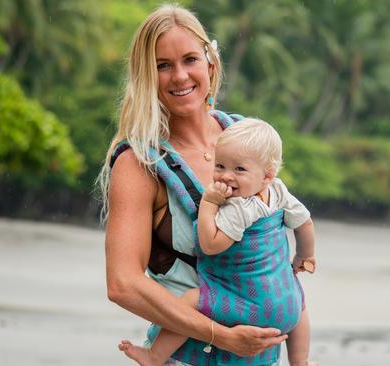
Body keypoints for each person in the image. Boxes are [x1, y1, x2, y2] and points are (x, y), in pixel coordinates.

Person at [99, 4, 290, 365]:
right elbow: (122, 283)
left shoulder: (246, 139)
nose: (180, 76)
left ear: (210, 63)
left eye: (189, 59)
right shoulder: (139, 163)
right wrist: (221, 335)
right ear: (145, 76)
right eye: (162, 65)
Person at [118, 119, 316, 365]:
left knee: (191, 300)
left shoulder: (238, 207)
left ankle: (154, 355)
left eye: (239, 170)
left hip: (250, 304)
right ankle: (300, 361)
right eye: (220, 166)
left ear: (266, 175)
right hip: (285, 307)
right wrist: (304, 256)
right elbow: (305, 223)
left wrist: (210, 204)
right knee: (299, 299)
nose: (226, 177)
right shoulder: (279, 191)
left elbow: (211, 245)